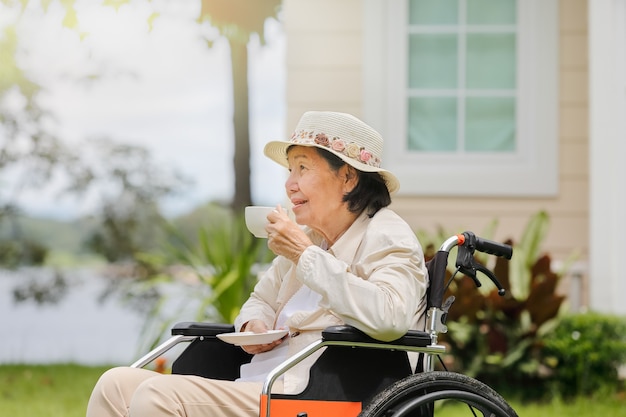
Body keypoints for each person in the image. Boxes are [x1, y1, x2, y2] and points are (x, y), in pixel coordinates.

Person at [86, 111, 429, 417]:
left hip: (316, 394)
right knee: (114, 384)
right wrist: (254, 326)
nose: (289, 184)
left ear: (349, 178)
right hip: (261, 379)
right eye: (290, 169)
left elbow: (390, 316)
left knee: (157, 396)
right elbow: (260, 299)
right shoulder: (311, 236)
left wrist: (306, 255)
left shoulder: (387, 235)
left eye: (303, 168)